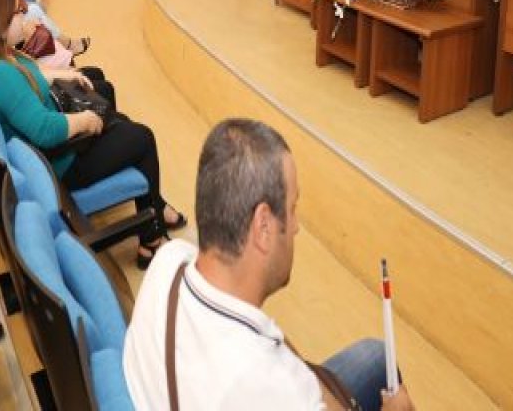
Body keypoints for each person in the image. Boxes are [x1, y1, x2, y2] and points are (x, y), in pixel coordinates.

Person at [124, 119, 413, 411]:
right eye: (292, 209)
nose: (296, 226)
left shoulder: (170, 259)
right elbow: (283, 387)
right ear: (263, 226)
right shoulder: (274, 387)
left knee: (375, 356)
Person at [0, 0, 183, 268]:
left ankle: (155, 209)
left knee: (119, 120)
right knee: (142, 138)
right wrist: (84, 121)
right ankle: (151, 240)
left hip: (51, 153)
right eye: (18, 12)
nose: (25, 16)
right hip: (61, 163)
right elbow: (44, 130)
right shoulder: (1, 76)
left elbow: (33, 88)